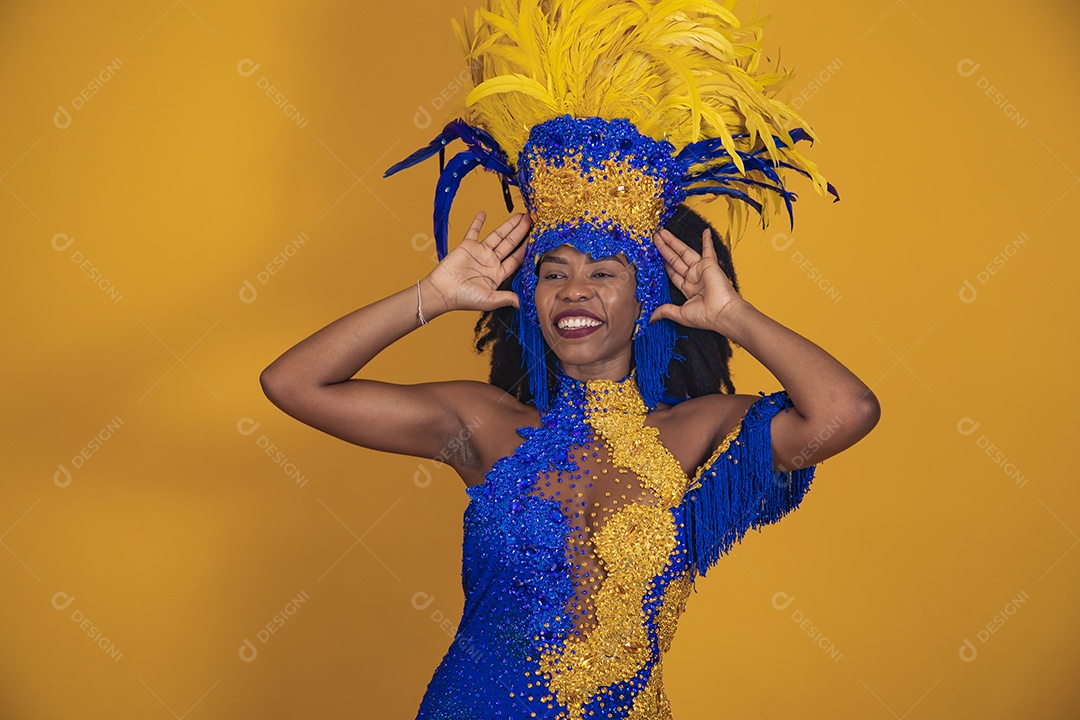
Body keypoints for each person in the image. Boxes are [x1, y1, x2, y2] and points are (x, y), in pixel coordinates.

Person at [261, 2, 881, 717]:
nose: (574, 290)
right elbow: (293, 382)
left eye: (603, 272)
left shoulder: (700, 432)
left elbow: (847, 411)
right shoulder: (481, 424)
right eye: (553, 272)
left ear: (648, 296)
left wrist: (734, 316)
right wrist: (430, 296)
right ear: (530, 296)